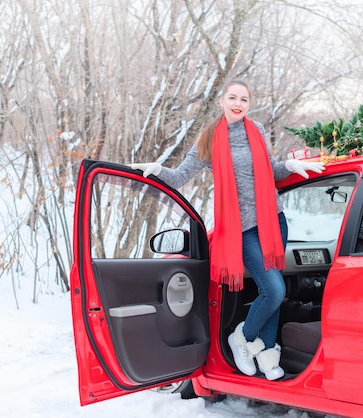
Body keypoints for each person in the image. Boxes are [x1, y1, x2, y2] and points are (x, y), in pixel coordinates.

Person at [131, 80, 324, 380]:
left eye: (244, 99)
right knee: (274, 290)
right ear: (221, 101)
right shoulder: (209, 138)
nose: (238, 103)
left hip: (274, 220)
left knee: (270, 289)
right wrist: (158, 171)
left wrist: (289, 166)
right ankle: (242, 338)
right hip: (242, 229)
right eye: (232, 97)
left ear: (249, 104)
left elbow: (271, 170)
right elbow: (182, 176)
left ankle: (269, 357)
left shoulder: (256, 131)